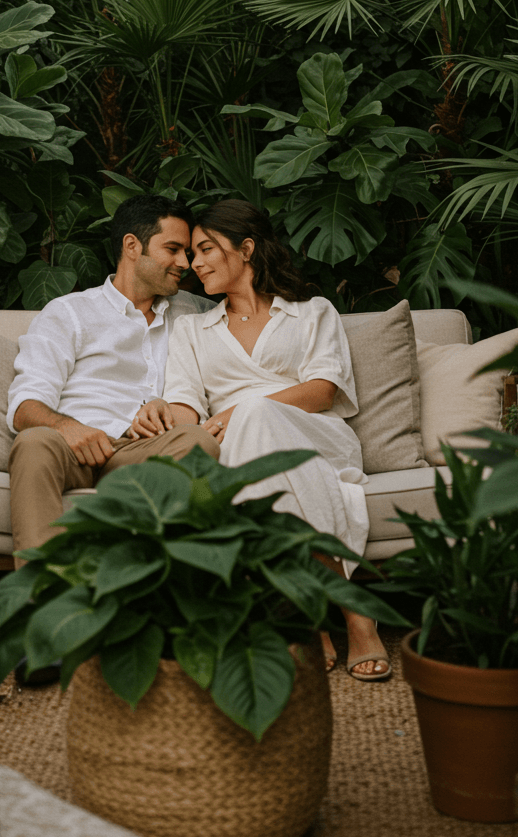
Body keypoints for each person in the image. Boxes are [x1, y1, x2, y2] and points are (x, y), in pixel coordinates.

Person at [132, 199, 390, 681]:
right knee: (254, 444)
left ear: (246, 249)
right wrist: (167, 411)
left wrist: (246, 409)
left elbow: (322, 390)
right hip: (235, 446)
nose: (195, 263)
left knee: (255, 415)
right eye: (191, 252)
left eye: (206, 249)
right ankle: (353, 614)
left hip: (316, 434)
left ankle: (312, 619)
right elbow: (188, 406)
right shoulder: (192, 329)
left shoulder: (312, 312)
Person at [6, 194, 220, 557]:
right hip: (75, 448)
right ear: (132, 246)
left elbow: (254, 318)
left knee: (198, 444)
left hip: (145, 452)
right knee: (33, 442)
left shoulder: (195, 313)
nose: (185, 263)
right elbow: (25, 405)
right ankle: (43, 599)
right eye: (173, 249)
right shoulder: (69, 312)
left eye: (187, 252)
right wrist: (67, 428)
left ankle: (157, 584)